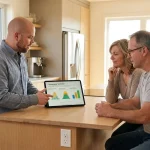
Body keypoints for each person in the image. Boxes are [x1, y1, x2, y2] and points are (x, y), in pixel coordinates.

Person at [95, 30, 150, 150]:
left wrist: (110, 111)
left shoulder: (142, 74)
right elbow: (134, 102)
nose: (128, 55)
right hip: (147, 132)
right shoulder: (146, 76)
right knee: (112, 143)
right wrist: (110, 107)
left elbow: (144, 116)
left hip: (147, 131)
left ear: (144, 51)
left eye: (131, 51)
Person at [0, 17, 51, 113]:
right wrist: (35, 99)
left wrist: (38, 94)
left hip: (19, 117)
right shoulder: (1, 58)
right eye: (29, 37)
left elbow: (26, 84)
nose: (32, 42)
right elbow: (2, 97)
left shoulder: (21, 56)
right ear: (16, 36)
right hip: (4, 122)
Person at [106, 39, 143, 136]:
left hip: (142, 121)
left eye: (115, 54)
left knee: (114, 138)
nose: (111, 57)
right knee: (114, 136)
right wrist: (111, 79)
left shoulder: (138, 73)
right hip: (132, 119)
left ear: (126, 55)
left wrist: (118, 103)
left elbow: (132, 105)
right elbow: (111, 100)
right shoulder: (118, 74)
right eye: (111, 54)